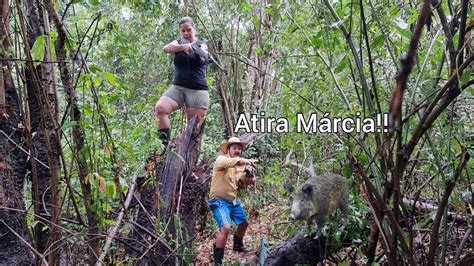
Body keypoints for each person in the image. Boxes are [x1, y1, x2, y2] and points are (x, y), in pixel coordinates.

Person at [154, 16, 209, 152]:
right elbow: (166, 49)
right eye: (183, 31)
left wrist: (200, 51)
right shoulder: (178, 42)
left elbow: (205, 58)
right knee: (160, 109)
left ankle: (188, 162)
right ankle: (164, 148)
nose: (186, 33)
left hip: (197, 89)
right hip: (178, 87)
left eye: (188, 30)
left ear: (194, 29)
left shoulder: (201, 44)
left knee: (194, 129)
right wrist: (184, 46)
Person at [208, 137, 258, 264]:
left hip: (233, 201)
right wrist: (244, 161)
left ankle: (238, 245)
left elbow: (241, 183)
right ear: (228, 149)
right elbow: (235, 162)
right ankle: (218, 261)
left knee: (244, 223)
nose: (237, 151)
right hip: (219, 201)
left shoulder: (240, 168)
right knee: (225, 228)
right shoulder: (221, 160)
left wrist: (250, 180)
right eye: (235, 148)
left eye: (239, 149)